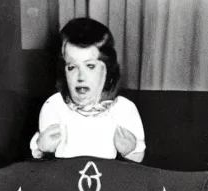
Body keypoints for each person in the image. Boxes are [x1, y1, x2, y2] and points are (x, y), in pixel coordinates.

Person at [30, 17, 146, 162]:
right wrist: (42, 147)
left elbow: (138, 159)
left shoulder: (124, 109)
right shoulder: (54, 106)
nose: (80, 77)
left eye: (90, 66)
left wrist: (131, 148)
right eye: (71, 67)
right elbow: (38, 167)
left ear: (107, 70)